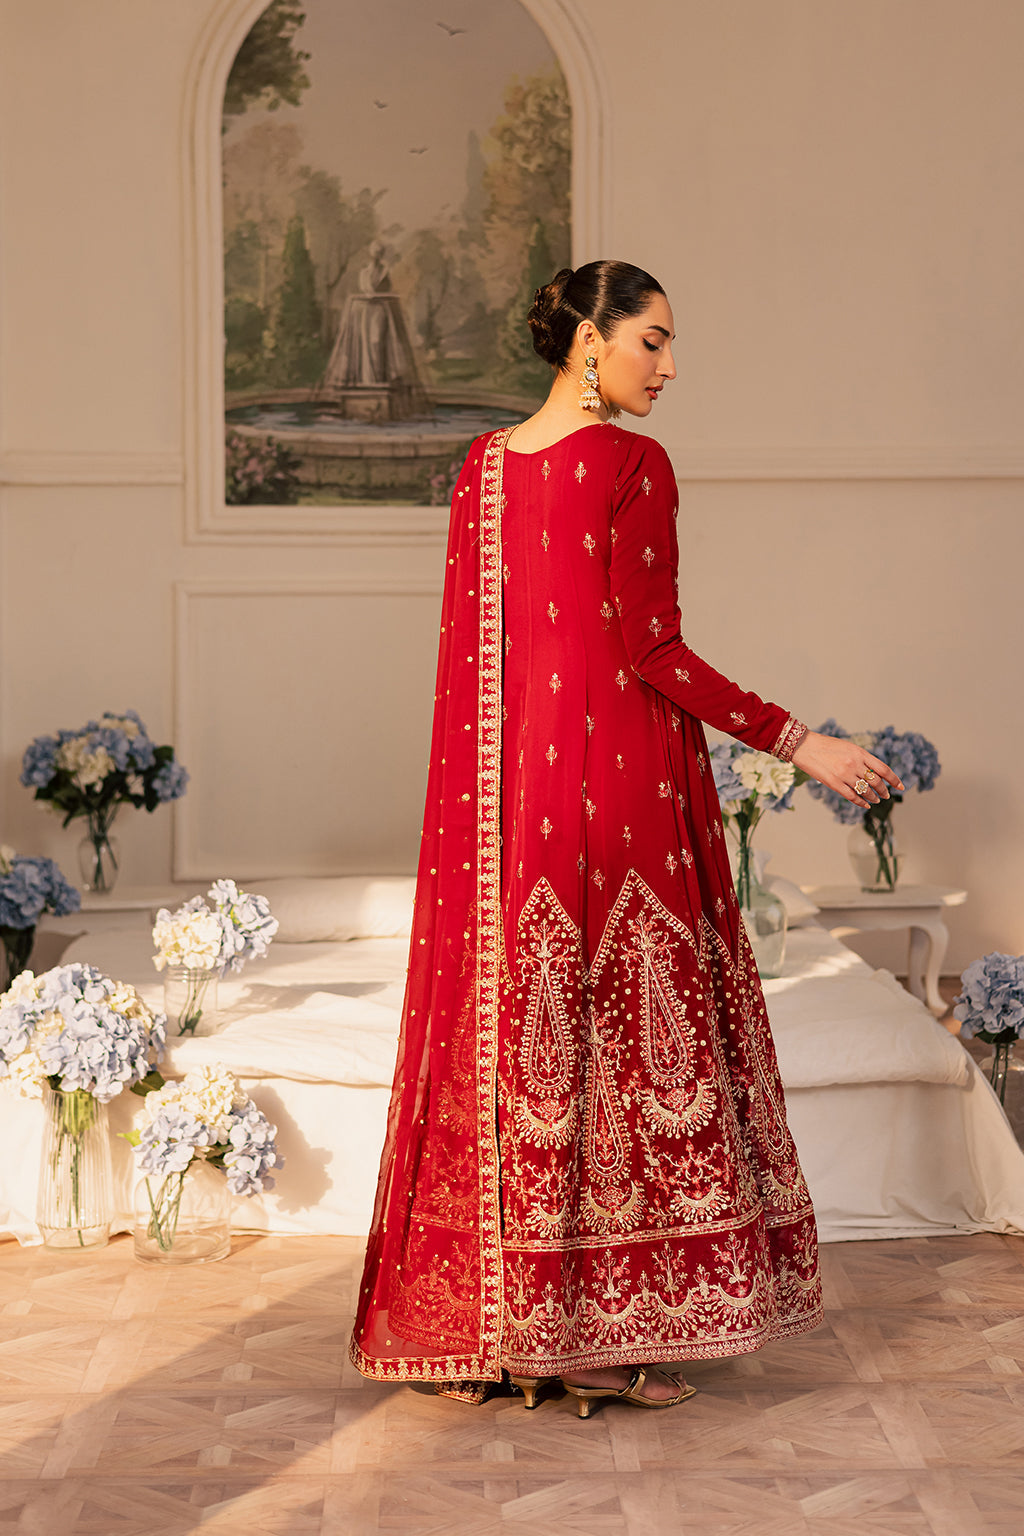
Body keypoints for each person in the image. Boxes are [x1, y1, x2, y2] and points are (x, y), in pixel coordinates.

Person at [349, 261, 902, 1415]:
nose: (669, 365)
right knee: (618, 1040)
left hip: (512, 801)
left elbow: (477, 665)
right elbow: (653, 652)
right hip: (621, 786)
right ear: (588, 341)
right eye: (651, 339)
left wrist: (482, 824)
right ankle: (595, 1335)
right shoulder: (631, 465)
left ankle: (501, 1329)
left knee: (532, 1036)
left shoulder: (483, 468)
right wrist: (799, 740)